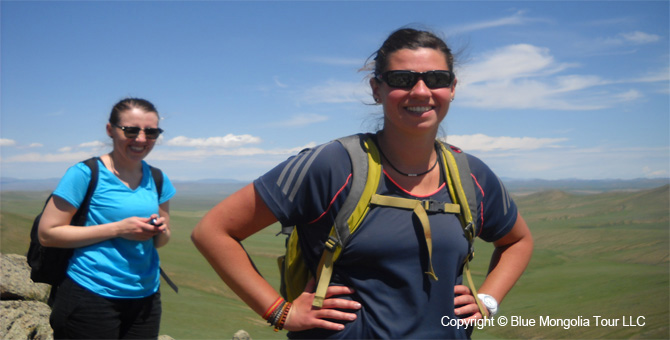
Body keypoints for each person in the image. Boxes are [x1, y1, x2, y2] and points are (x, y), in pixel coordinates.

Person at [192, 27, 533, 339]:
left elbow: (517, 240)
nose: (420, 90)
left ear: (452, 88)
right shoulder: (332, 166)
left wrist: (487, 299)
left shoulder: (470, 174)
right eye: (401, 78)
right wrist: (280, 312)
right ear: (377, 89)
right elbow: (213, 231)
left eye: (436, 78)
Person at [39, 98, 176, 339]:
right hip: (90, 293)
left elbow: (161, 242)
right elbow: (48, 233)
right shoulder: (84, 173)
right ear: (110, 130)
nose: (141, 139)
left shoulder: (158, 178)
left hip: (146, 297)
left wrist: (160, 231)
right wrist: (119, 229)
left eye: (151, 132)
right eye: (131, 130)